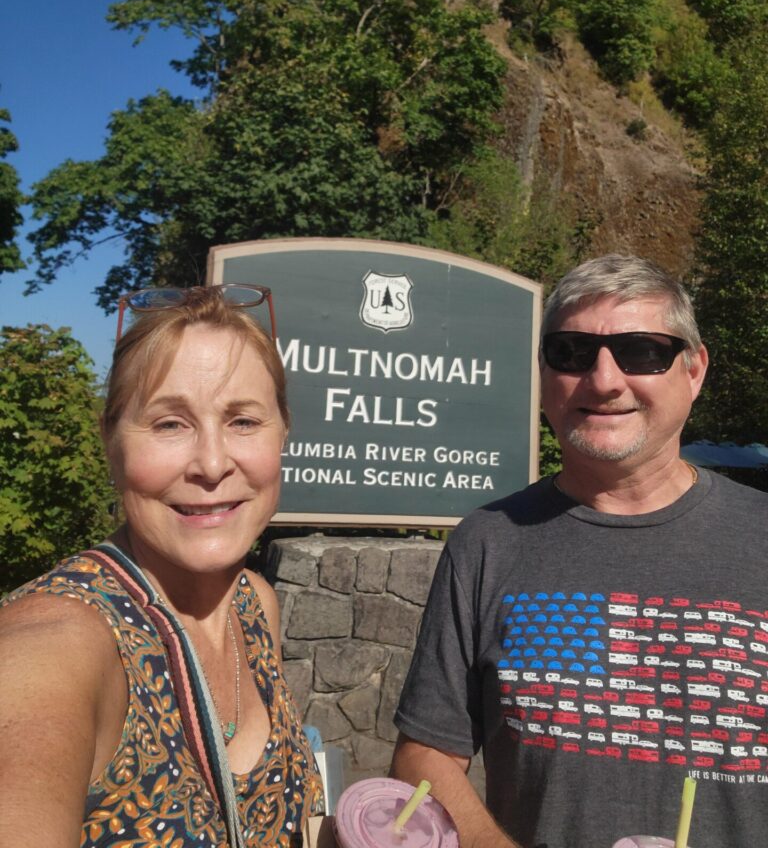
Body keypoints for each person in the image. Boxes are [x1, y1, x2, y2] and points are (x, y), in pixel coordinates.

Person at [391, 254, 768, 848]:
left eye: (641, 351)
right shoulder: (488, 541)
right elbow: (425, 757)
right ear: (545, 374)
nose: (603, 380)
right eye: (572, 353)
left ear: (693, 371)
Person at [0, 285, 324, 848]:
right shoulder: (61, 643)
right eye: (170, 424)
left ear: (283, 433)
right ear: (111, 441)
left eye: (244, 421)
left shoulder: (253, 604)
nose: (213, 463)